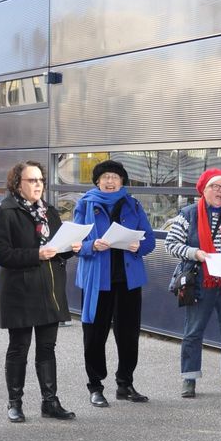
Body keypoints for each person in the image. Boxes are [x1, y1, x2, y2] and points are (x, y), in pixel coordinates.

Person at [0, 161, 80, 423]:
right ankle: (15, 403)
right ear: (18, 184)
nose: (38, 184)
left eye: (40, 179)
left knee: (47, 348)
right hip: (20, 291)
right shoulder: (6, 212)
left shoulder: (49, 211)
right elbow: (2, 254)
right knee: (19, 348)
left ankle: (50, 402)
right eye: (32, 180)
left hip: (48, 289)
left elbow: (56, 248)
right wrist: (36, 254)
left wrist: (70, 247)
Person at [73, 160, 156, 406]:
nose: (110, 181)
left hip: (128, 280)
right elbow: (74, 243)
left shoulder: (133, 204)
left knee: (129, 334)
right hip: (98, 280)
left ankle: (125, 383)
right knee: (95, 334)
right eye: (106, 177)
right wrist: (91, 245)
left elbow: (149, 239)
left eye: (115, 177)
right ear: (97, 181)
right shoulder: (85, 204)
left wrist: (138, 246)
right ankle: (95, 386)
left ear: (122, 182)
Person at [164, 168, 221, 398]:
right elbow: (171, 244)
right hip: (201, 283)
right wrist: (195, 253)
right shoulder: (188, 214)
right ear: (204, 189)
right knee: (193, 332)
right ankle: (189, 378)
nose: (220, 191)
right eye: (215, 186)